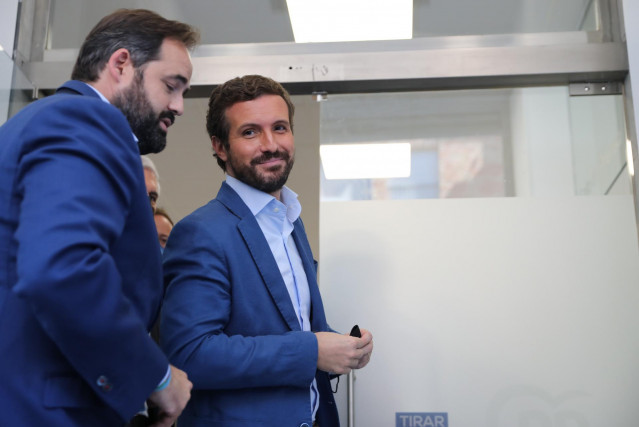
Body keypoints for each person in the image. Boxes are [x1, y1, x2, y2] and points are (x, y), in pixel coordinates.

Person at [0, 9, 199, 427]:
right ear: (121, 64)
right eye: (171, 86)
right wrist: (157, 377)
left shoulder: (35, 122)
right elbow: (62, 267)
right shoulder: (86, 119)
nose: (179, 106)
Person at [160, 75, 373, 426]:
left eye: (280, 127)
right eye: (250, 132)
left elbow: (296, 327)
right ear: (220, 146)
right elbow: (191, 355)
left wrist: (342, 349)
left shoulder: (290, 220)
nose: (270, 144)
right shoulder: (200, 233)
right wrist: (312, 351)